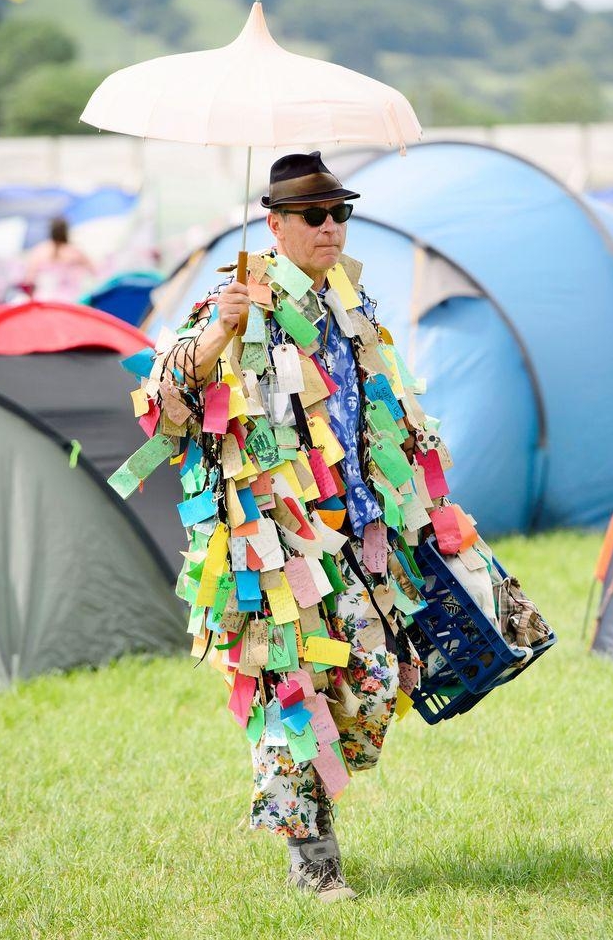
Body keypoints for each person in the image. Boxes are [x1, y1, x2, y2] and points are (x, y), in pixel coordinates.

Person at [153, 152, 426, 901]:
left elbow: (380, 403)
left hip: (355, 538)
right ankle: (313, 858)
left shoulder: (350, 299)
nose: (331, 227)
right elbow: (161, 398)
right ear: (275, 222)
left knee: (371, 687)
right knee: (289, 697)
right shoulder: (236, 297)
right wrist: (220, 336)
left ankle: (314, 799)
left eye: (341, 213)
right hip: (267, 547)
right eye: (315, 216)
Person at [24, 216, 95, 301]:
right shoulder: (74, 252)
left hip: (44, 299)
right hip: (71, 300)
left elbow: (29, 280)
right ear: (66, 232)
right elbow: (94, 271)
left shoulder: (40, 250)